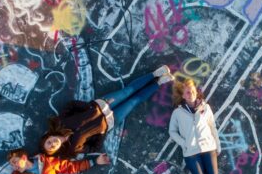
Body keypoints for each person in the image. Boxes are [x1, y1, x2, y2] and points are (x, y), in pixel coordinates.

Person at [40, 65, 173, 158]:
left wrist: (90, 107)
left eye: (49, 142)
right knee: (134, 101)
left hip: (102, 105)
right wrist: (102, 132)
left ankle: (155, 74)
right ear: (56, 151)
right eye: (51, 147)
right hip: (111, 120)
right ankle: (159, 83)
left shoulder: (60, 122)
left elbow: (71, 105)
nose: (52, 143)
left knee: (128, 91)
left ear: (48, 136)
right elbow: (94, 148)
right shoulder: (73, 148)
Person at [168, 78, 232, 174]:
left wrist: (218, 145)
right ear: (183, 96)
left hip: (209, 149)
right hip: (191, 153)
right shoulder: (178, 113)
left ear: (196, 92)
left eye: (192, 91)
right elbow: (172, 131)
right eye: (187, 92)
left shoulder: (206, 107)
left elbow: (212, 127)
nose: (190, 94)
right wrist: (184, 143)